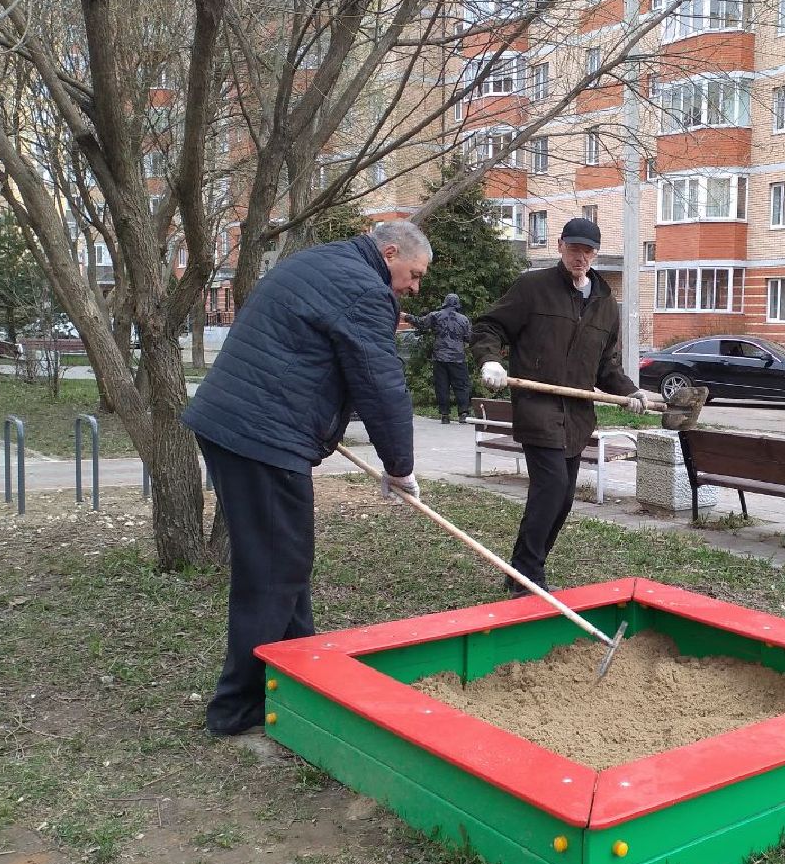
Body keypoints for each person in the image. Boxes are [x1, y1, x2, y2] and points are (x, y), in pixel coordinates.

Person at [182, 220, 429, 737]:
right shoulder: (363, 291)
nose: (413, 288)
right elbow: (380, 386)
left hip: (236, 426)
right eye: (412, 274)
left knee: (284, 564)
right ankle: (238, 707)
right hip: (262, 439)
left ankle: (299, 678)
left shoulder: (323, 261)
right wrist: (400, 468)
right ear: (389, 254)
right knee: (271, 574)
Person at [471, 217, 649, 595]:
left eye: (587, 250)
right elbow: (489, 326)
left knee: (564, 497)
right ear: (560, 246)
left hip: (578, 414)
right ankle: (528, 577)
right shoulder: (532, 287)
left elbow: (607, 366)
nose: (579, 256)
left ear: (595, 253)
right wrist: (490, 360)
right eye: (573, 248)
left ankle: (521, 569)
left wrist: (631, 392)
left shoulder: (605, 303)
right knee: (550, 488)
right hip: (538, 406)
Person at [404, 293, 472, 424]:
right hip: (458, 358)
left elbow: (421, 323)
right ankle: (463, 413)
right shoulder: (464, 319)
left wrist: (406, 316)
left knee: (442, 386)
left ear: (445, 302)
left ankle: (445, 415)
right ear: (457, 304)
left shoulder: (435, 315)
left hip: (439, 357)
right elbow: (468, 338)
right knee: (461, 386)